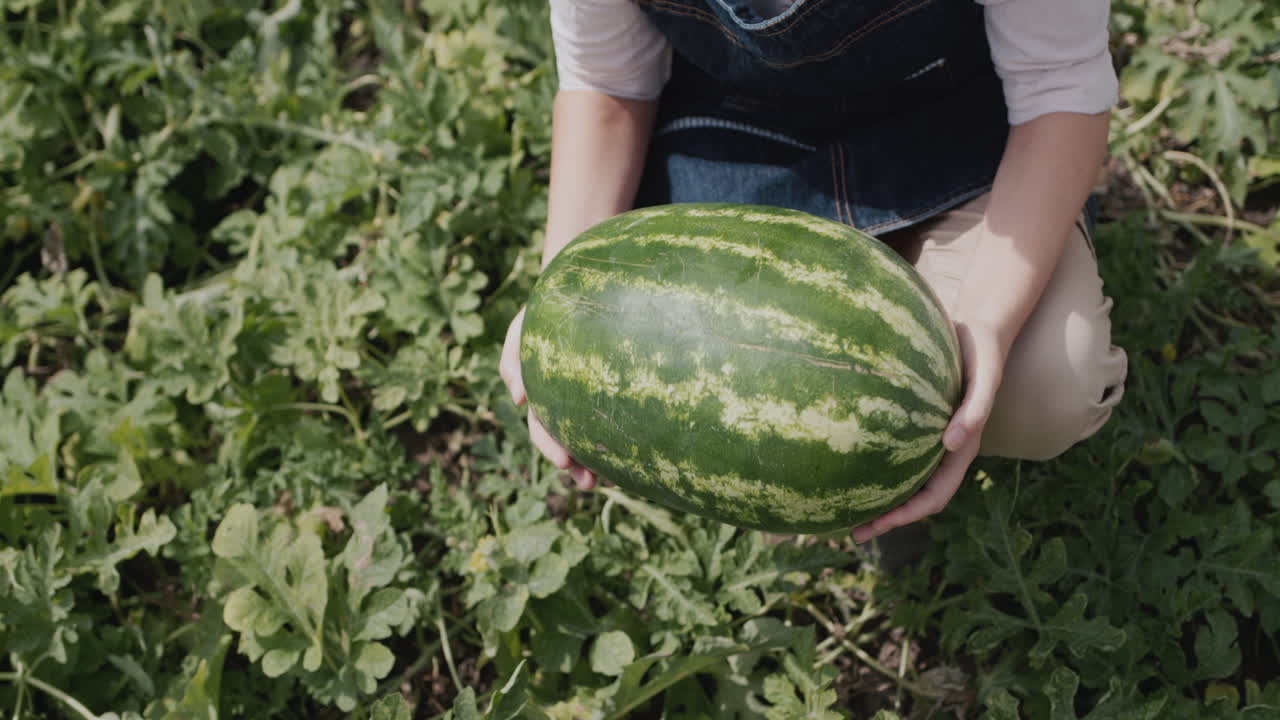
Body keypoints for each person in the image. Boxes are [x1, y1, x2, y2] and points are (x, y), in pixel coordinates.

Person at [499, 0, 1128, 546]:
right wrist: (567, 294)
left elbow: (1060, 85)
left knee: (1049, 376)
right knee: (800, 421)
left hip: (956, 138)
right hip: (738, 146)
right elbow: (607, 84)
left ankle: (890, 453)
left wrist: (987, 320)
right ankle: (825, 480)